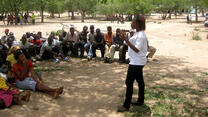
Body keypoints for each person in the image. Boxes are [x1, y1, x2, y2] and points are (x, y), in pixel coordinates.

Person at [117, 15, 148, 112]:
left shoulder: (141, 35)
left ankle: (126, 105)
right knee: (140, 81)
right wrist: (124, 37)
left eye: (133, 22)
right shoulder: (138, 34)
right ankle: (140, 100)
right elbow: (128, 44)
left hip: (136, 62)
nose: (131, 23)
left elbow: (137, 49)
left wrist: (126, 40)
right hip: (137, 61)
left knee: (129, 82)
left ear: (138, 24)